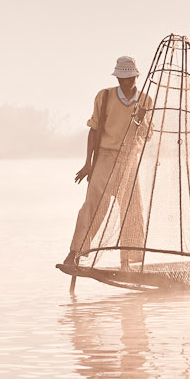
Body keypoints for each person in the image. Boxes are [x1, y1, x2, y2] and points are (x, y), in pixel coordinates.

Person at [68, 55, 152, 271]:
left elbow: (147, 135)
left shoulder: (145, 100)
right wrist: (88, 164)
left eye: (129, 78)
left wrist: (142, 118)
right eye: (122, 79)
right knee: (93, 205)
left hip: (129, 158)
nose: (126, 83)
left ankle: (127, 262)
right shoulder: (104, 96)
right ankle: (75, 252)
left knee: (131, 210)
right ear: (117, 79)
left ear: (136, 77)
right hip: (105, 157)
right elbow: (94, 130)